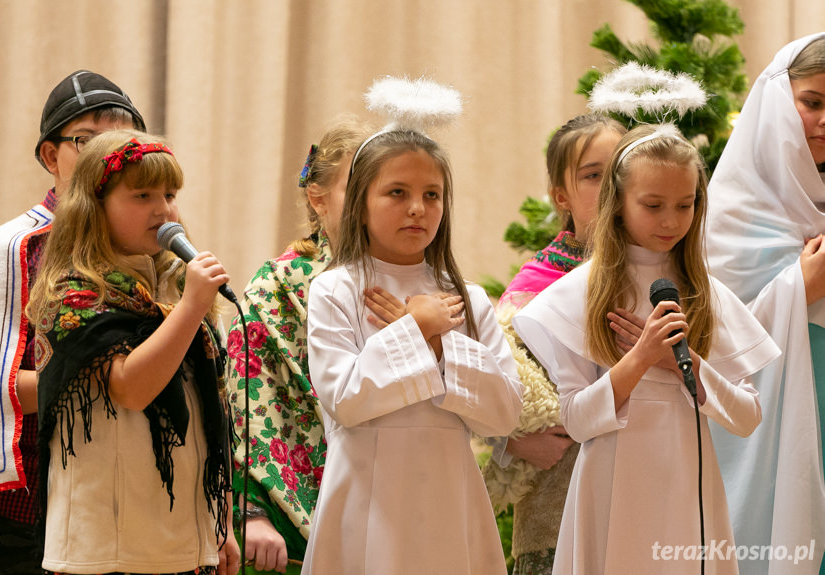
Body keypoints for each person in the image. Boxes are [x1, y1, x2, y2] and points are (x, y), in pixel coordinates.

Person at [513, 123, 781, 574]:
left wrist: (683, 364)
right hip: (612, 485)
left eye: (686, 205)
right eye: (653, 205)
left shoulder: (705, 293)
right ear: (617, 204)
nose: (672, 221)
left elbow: (747, 417)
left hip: (687, 486)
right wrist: (639, 360)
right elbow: (577, 420)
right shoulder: (580, 293)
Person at [301, 126, 523, 574]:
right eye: (397, 192)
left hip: (449, 498)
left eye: (432, 195)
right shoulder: (335, 289)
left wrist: (440, 343)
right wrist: (416, 328)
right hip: (367, 500)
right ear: (361, 204)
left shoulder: (467, 298)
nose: (418, 208)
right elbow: (345, 400)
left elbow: (504, 415)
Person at [26, 129, 239, 574]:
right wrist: (192, 307)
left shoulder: (177, 286)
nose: (162, 208)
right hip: (104, 550)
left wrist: (221, 526)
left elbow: (208, 409)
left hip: (181, 541)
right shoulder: (72, 292)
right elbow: (130, 388)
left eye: (170, 193)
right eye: (141, 194)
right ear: (95, 206)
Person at [0, 69, 144, 575]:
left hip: (134, 503)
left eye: (121, 145)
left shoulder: (150, 247)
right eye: (86, 141)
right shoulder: (12, 250)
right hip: (32, 508)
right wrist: (117, 384)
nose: (105, 158)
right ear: (50, 156)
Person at [226, 116, 371, 574]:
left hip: (398, 504)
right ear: (318, 197)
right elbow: (245, 406)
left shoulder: (419, 285)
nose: (371, 207)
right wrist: (250, 513)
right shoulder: (276, 287)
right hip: (292, 523)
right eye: (357, 189)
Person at [481, 113, 625, 575]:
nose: (609, 188)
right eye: (592, 176)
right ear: (560, 196)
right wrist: (512, 441)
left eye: (620, 170)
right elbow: (487, 379)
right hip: (557, 502)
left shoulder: (663, 273)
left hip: (645, 485)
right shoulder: (534, 287)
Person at [705, 32, 825, 574]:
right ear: (779, 102)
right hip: (779, 432)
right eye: (813, 103)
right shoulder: (726, 216)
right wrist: (799, 287)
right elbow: (708, 345)